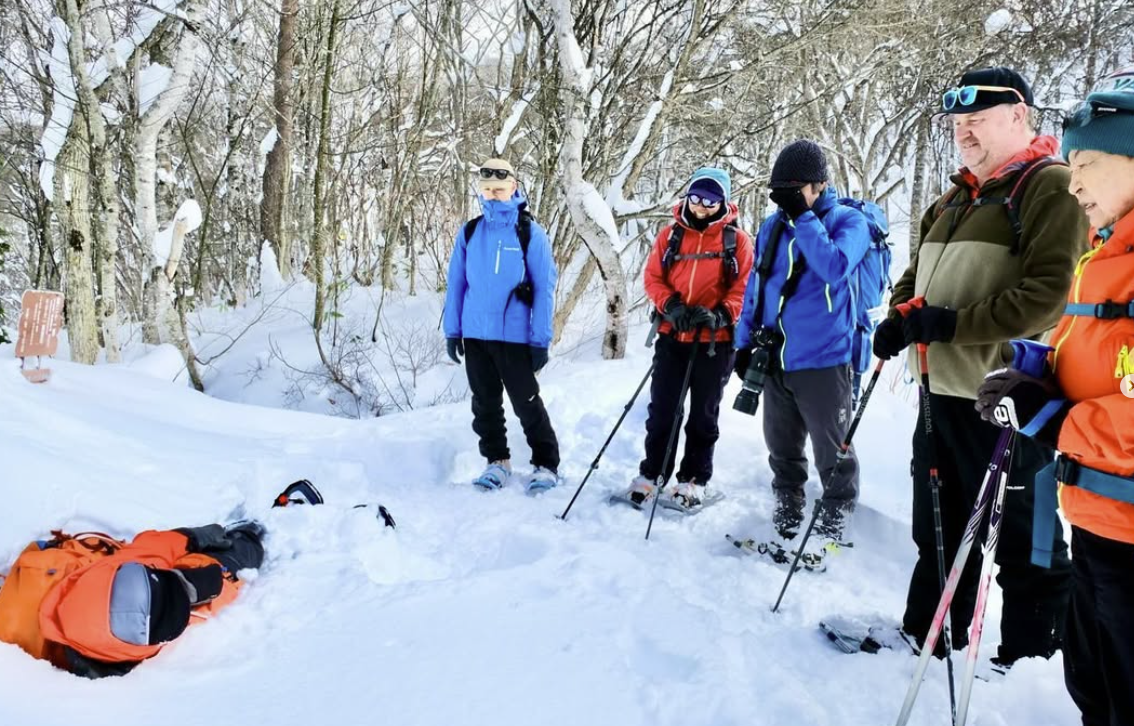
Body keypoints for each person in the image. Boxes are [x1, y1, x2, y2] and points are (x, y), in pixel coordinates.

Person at [873, 67, 1088, 666]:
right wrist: (903, 315)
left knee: (1026, 537)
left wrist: (950, 324)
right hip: (941, 389)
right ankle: (930, 635)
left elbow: (1050, 296)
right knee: (938, 526)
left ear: (1019, 116)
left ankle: (1032, 658)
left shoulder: (1050, 186)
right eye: (958, 122)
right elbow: (917, 278)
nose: (963, 131)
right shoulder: (956, 197)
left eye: (977, 119)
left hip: (1012, 398)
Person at [975, 66, 1134, 724]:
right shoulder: (1104, 256)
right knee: (1095, 694)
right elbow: (1108, 362)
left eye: (1089, 162)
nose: (1072, 182)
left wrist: (1052, 414)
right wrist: (1041, 368)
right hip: (1097, 522)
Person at [733, 140, 869, 546]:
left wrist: (803, 216)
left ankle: (836, 513)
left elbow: (835, 267)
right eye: (781, 192)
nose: (787, 200)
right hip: (776, 356)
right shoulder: (773, 226)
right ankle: (788, 500)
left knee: (832, 448)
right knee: (781, 443)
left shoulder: (848, 222)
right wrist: (744, 343)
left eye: (796, 190)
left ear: (819, 185)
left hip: (824, 358)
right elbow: (757, 286)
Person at [623, 167, 754, 508]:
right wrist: (671, 305)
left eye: (710, 201)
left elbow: (744, 289)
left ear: (722, 202)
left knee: (703, 415)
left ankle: (693, 480)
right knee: (663, 411)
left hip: (715, 341)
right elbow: (653, 277)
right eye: (696, 197)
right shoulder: (671, 236)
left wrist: (721, 314)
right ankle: (652, 474)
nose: (701, 206)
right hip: (673, 334)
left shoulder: (736, 241)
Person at [443, 158, 561, 492]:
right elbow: (456, 284)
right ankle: (497, 461)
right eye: (488, 190)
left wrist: (540, 340)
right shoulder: (470, 231)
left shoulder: (530, 233)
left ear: (514, 188)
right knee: (484, 403)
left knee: (526, 402)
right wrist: (453, 331)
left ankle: (546, 464)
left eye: (500, 189)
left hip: (515, 337)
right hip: (476, 334)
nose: (494, 196)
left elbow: (544, 288)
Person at [36, 520, 266, 678]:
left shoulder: (114, 572)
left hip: (92, 618)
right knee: (229, 559)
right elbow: (213, 598)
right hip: (109, 636)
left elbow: (152, 547)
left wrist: (191, 536)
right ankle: (244, 539)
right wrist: (228, 569)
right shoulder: (148, 627)